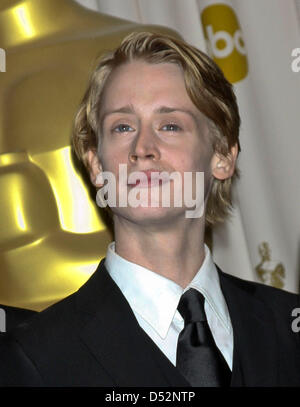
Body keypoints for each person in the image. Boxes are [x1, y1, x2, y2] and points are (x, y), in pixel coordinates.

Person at [1, 31, 299, 387]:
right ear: (96, 165)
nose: (142, 148)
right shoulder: (33, 356)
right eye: (122, 127)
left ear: (222, 157)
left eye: (170, 125)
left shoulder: (289, 328)